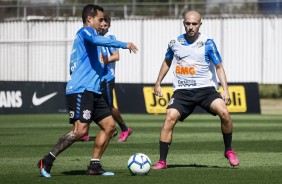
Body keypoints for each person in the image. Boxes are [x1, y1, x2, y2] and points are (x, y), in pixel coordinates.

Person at [37, 4, 138, 177]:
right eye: (100, 19)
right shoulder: (84, 32)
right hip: (81, 90)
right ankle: (46, 161)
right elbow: (97, 42)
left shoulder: (89, 41)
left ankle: (94, 166)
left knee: (109, 126)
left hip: (93, 91)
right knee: (80, 131)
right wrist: (123, 44)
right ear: (89, 19)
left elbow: (75, 65)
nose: (102, 23)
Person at [152, 10, 239, 170]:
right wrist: (158, 82)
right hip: (183, 91)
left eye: (194, 24)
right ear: (183, 23)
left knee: (225, 114)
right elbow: (167, 61)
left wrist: (225, 90)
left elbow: (219, 67)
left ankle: (228, 150)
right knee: (169, 118)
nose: (191, 27)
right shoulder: (174, 43)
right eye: (188, 23)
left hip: (206, 90)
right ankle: (162, 161)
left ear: (200, 24)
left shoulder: (208, 43)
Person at [79, 15, 132, 142]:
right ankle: (84, 132)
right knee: (92, 103)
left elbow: (116, 56)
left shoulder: (110, 37)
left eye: (105, 25)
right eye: (101, 24)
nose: (103, 27)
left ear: (109, 26)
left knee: (108, 107)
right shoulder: (95, 37)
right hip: (96, 77)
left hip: (107, 77)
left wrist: (103, 61)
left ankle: (124, 129)